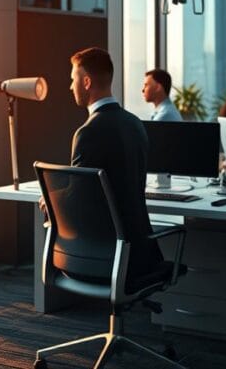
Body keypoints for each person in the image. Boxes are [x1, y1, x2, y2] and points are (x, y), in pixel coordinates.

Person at [69, 47, 162, 281]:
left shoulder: (88, 132)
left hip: (106, 254)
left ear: (87, 82)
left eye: (73, 79)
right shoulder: (135, 123)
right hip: (141, 252)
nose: (71, 87)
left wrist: (49, 198)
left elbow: (76, 198)